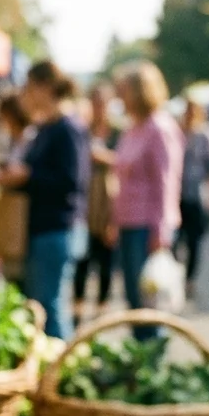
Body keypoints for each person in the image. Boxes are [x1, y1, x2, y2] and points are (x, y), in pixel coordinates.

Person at [0, 61, 88, 340]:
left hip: (57, 229)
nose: (25, 93)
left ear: (44, 87)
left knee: (50, 308)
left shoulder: (67, 128)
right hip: (42, 228)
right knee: (42, 306)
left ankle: (61, 373)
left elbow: (72, 182)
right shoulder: (46, 128)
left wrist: (28, 176)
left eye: (28, 86)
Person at [111, 60, 184, 338]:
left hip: (147, 226)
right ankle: (141, 361)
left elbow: (167, 181)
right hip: (129, 223)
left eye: (125, 90)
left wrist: (161, 231)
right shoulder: (133, 128)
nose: (120, 96)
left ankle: (152, 362)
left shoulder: (160, 128)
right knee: (135, 300)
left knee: (150, 301)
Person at [73, 84, 119, 326]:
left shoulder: (118, 132)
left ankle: (102, 308)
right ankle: (78, 308)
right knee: (83, 259)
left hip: (110, 203)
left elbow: (126, 163)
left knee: (106, 260)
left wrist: (104, 157)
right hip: (87, 202)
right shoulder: (82, 131)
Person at [177, 96, 209, 299]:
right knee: (175, 240)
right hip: (178, 194)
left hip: (197, 194)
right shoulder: (178, 131)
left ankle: (189, 279)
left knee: (195, 241)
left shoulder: (207, 133)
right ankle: (178, 275)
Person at [0, 95, 35, 287]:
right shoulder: (16, 140)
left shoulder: (29, 139)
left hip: (22, 216)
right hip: (15, 215)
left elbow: (22, 174)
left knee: (20, 275)